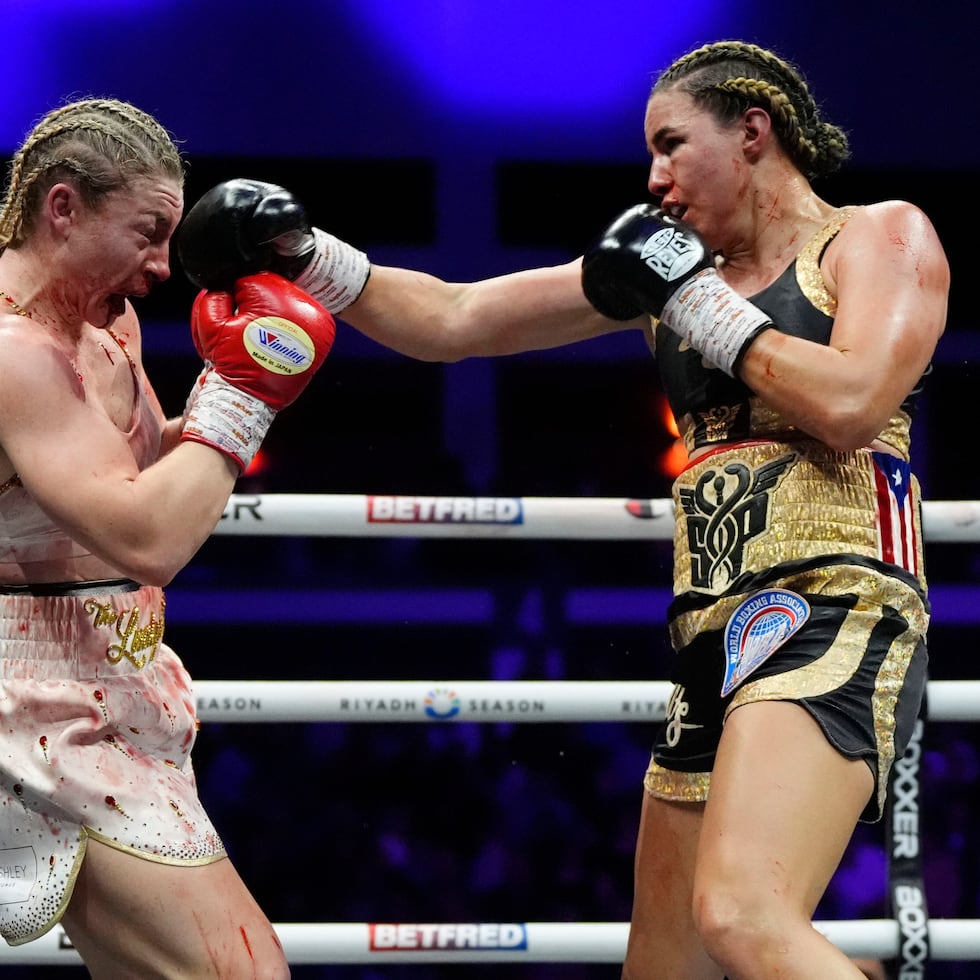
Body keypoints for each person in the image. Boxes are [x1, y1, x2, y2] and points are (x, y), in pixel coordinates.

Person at [177, 40, 949, 980]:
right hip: (713, 628)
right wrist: (303, 254)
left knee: (745, 914)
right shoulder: (674, 274)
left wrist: (695, 304)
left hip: (838, 600)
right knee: (666, 966)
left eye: (672, 145)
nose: (654, 179)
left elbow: (854, 400)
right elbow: (455, 318)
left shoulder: (878, 237)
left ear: (754, 133)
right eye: (648, 156)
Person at [0, 98, 335, 977]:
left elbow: (134, 473)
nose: (163, 266)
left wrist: (228, 405)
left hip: (118, 676)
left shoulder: (110, 324)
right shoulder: (14, 353)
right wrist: (243, 394)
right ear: (62, 207)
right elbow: (147, 536)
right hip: (29, 695)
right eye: (148, 233)